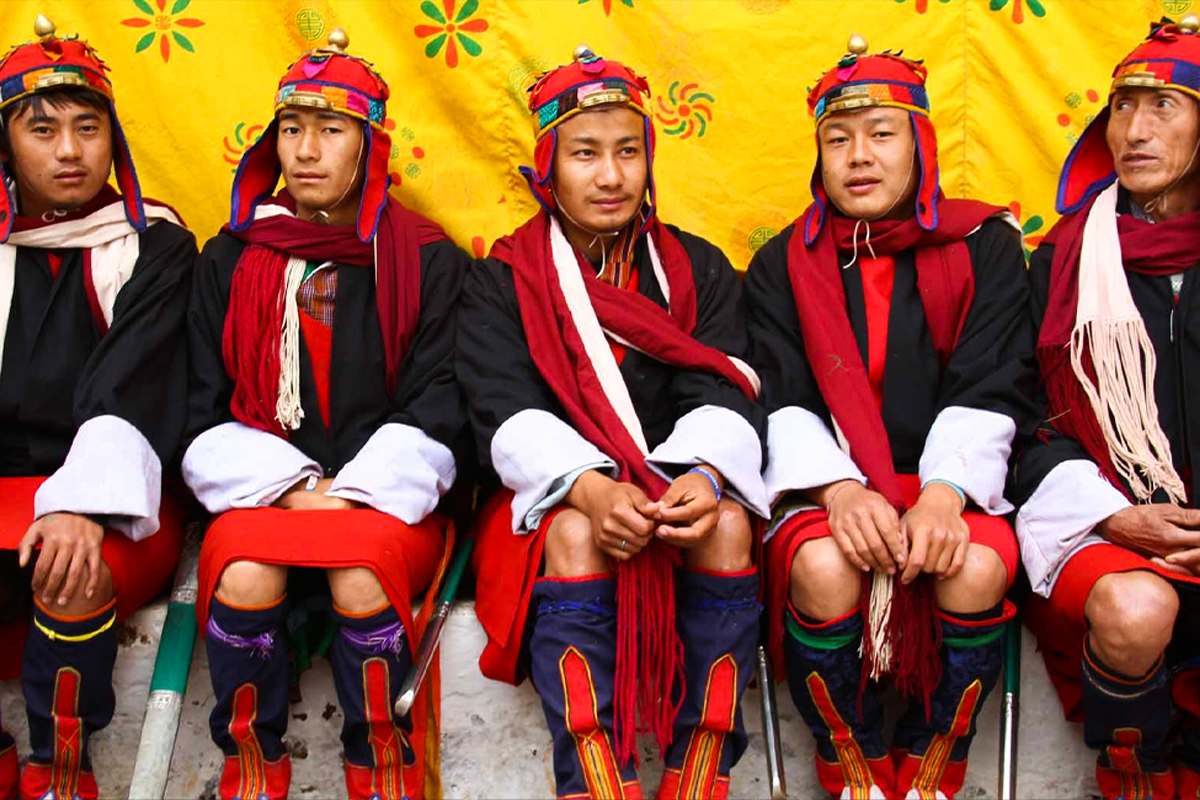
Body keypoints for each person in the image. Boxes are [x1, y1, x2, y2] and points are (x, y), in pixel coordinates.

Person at [457, 46, 769, 800]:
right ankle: (597, 776)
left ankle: (702, 770)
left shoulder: (696, 269)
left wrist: (699, 474)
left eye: (628, 152)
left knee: (726, 525)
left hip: (673, 494)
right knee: (573, 532)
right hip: (550, 503)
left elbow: (727, 386)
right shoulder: (505, 278)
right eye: (585, 153)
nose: (610, 176)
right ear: (547, 165)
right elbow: (502, 405)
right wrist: (591, 490)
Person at [745, 35, 1038, 799]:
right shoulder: (782, 264)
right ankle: (851, 766)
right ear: (818, 157)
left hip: (954, 487)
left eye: (882, 135)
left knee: (973, 564)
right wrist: (839, 492)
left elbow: (996, 378)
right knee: (822, 563)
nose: (859, 157)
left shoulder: (988, 248)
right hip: (830, 489)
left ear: (921, 145)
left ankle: (935, 769)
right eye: (837, 140)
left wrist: (944, 493)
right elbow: (780, 396)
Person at [181, 28, 466, 800]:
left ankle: (379, 764)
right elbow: (200, 403)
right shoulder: (232, 258)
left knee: (359, 577)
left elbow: (443, 399)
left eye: (331, 130)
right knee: (243, 571)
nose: (306, 150)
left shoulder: (428, 260)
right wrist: (294, 488)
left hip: (385, 499)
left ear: (368, 145)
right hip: (267, 491)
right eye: (292, 129)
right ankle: (251, 768)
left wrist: (356, 492)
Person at [0, 15, 194, 800]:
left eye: (89, 127)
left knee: (70, 570)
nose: (71, 150)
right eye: (42, 130)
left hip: (118, 497)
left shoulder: (153, 245)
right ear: (8, 144)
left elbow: (131, 384)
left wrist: (83, 506)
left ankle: (60, 772)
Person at [1008, 14, 1200, 800]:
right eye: (1123, 106)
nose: (1135, 129)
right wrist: (1119, 518)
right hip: (1110, 531)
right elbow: (1019, 418)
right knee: (1132, 606)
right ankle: (1135, 777)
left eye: (1165, 106)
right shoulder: (1060, 259)